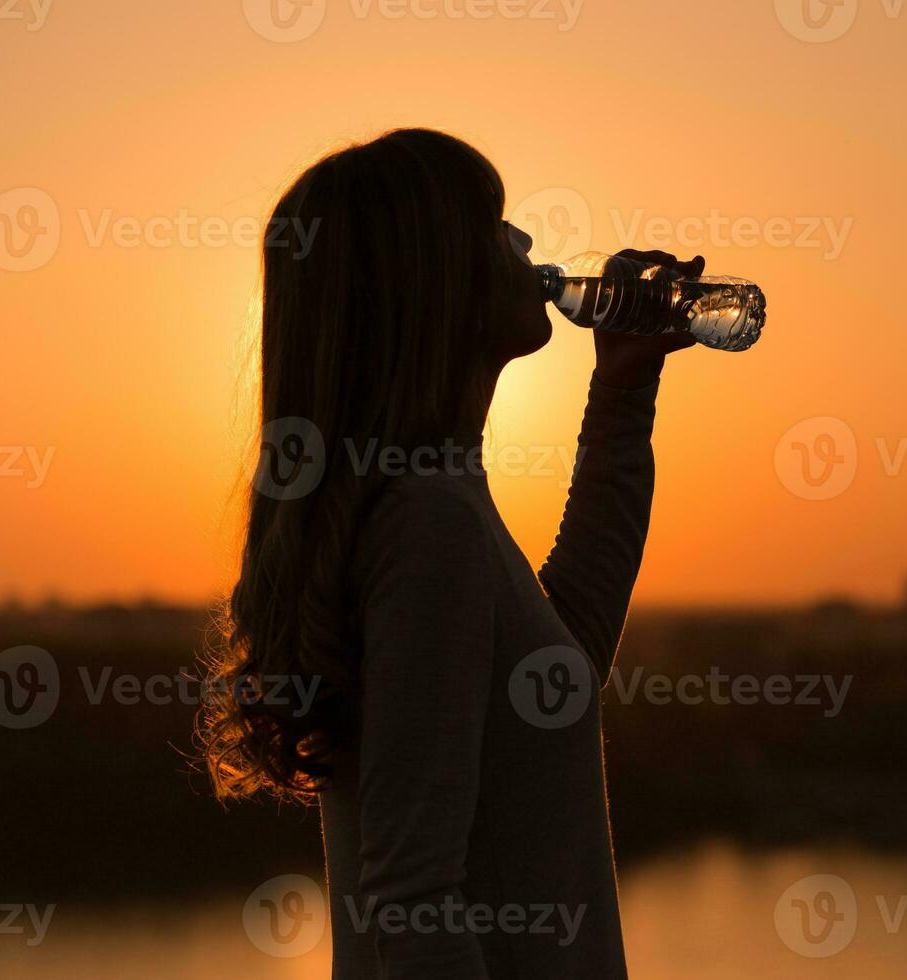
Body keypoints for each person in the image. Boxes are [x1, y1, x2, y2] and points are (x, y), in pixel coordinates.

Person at [199, 127, 701, 978]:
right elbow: (410, 901)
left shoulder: (437, 501)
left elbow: (560, 658)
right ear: (432, 280)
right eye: (495, 223)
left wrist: (623, 391)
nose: (525, 243)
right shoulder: (429, 523)